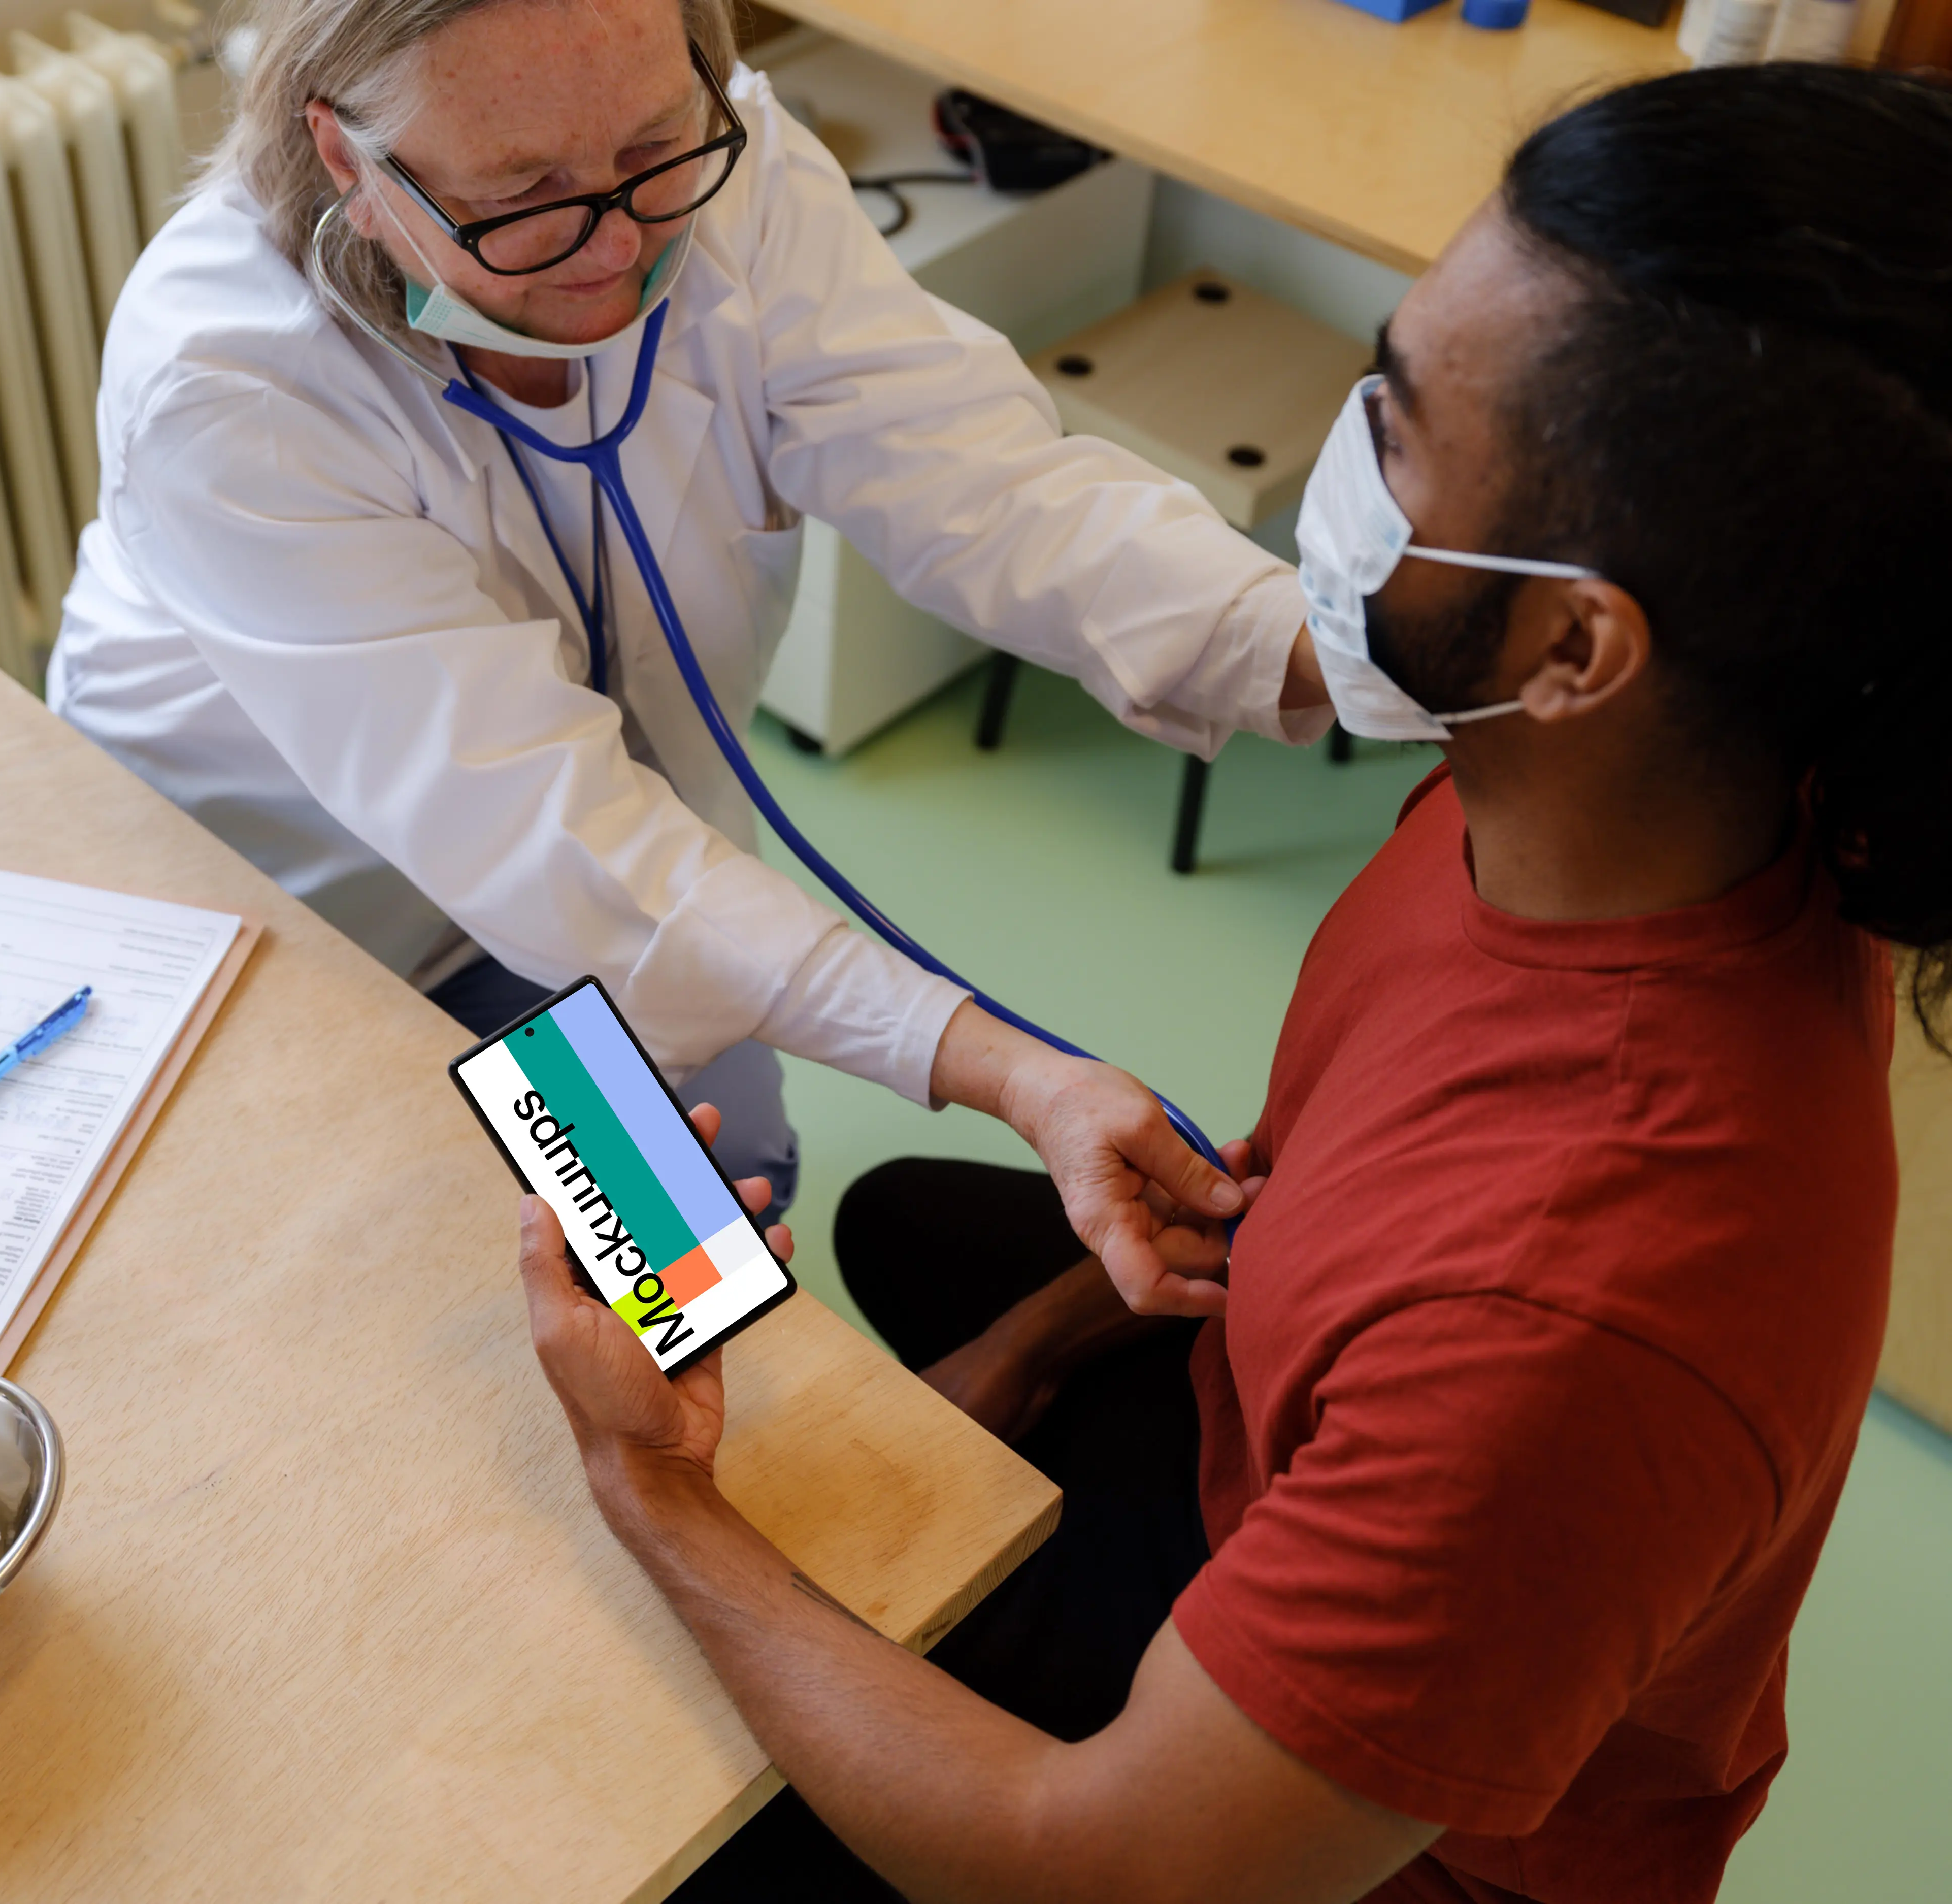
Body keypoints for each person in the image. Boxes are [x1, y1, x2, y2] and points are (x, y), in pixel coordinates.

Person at [517, 62, 1952, 1903]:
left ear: (1579, 642)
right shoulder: (1585, 796)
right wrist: (1019, 1363)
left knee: (647, 1822)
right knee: (920, 1238)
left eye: (1402, 425)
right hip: (1266, 1454)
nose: (1343, 445)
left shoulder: (1576, 1330)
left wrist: (650, 1496)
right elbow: (1336, 1180)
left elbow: (1091, 1866)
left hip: (1331, 1859)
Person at [48, 0, 1328, 1244]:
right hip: (294, 898)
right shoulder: (229, 387)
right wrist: (1010, 1070)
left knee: (712, 1225)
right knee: (412, 1283)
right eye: (523, 194)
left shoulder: (740, 173)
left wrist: (1326, 647)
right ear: (350, 160)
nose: (616, 244)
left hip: (597, 856)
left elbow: (986, 489)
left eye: (655, 151)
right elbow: (541, 828)